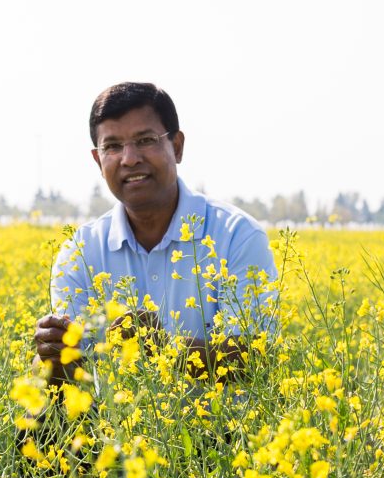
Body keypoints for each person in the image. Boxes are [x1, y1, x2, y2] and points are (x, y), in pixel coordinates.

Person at [33, 81, 277, 382]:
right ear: (98, 159)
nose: (130, 158)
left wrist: (165, 351)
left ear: (176, 146)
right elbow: (74, 374)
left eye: (145, 140)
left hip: (223, 429)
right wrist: (53, 354)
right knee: (37, 375)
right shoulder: (80, 252)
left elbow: (255, 355)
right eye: (112, 146)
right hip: (111, 429)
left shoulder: (237, 236)